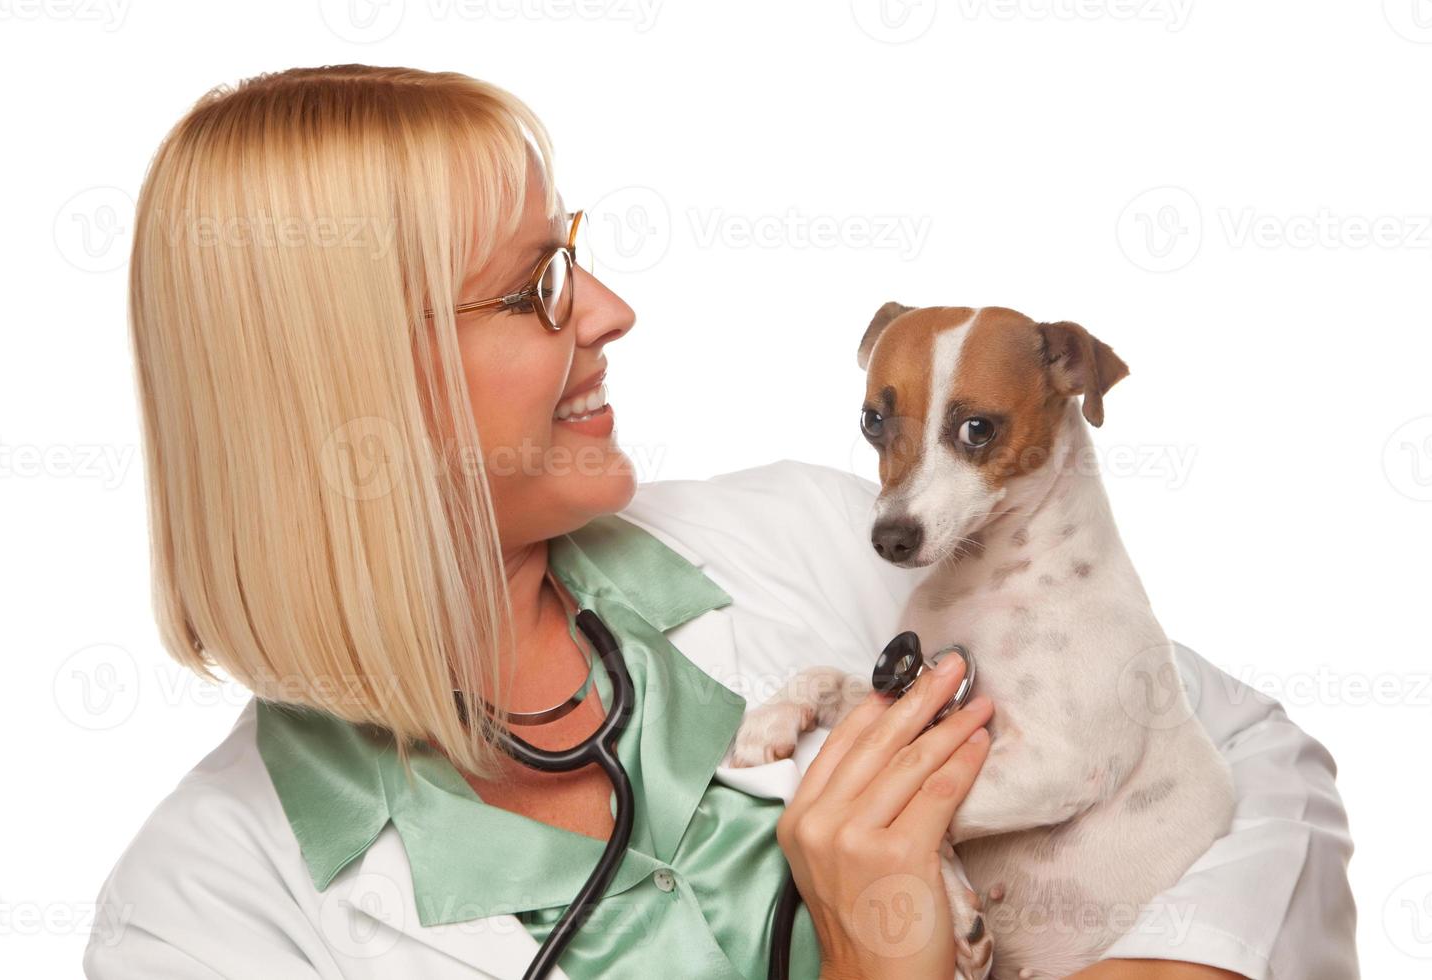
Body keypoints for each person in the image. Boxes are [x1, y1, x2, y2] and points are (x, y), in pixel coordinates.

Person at [84, 65, 1356, 979]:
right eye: (537, 286)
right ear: (345, 381)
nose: (612, 310)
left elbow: (1249, 755)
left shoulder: (812, 540)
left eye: (573, 253)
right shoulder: (202, 919)